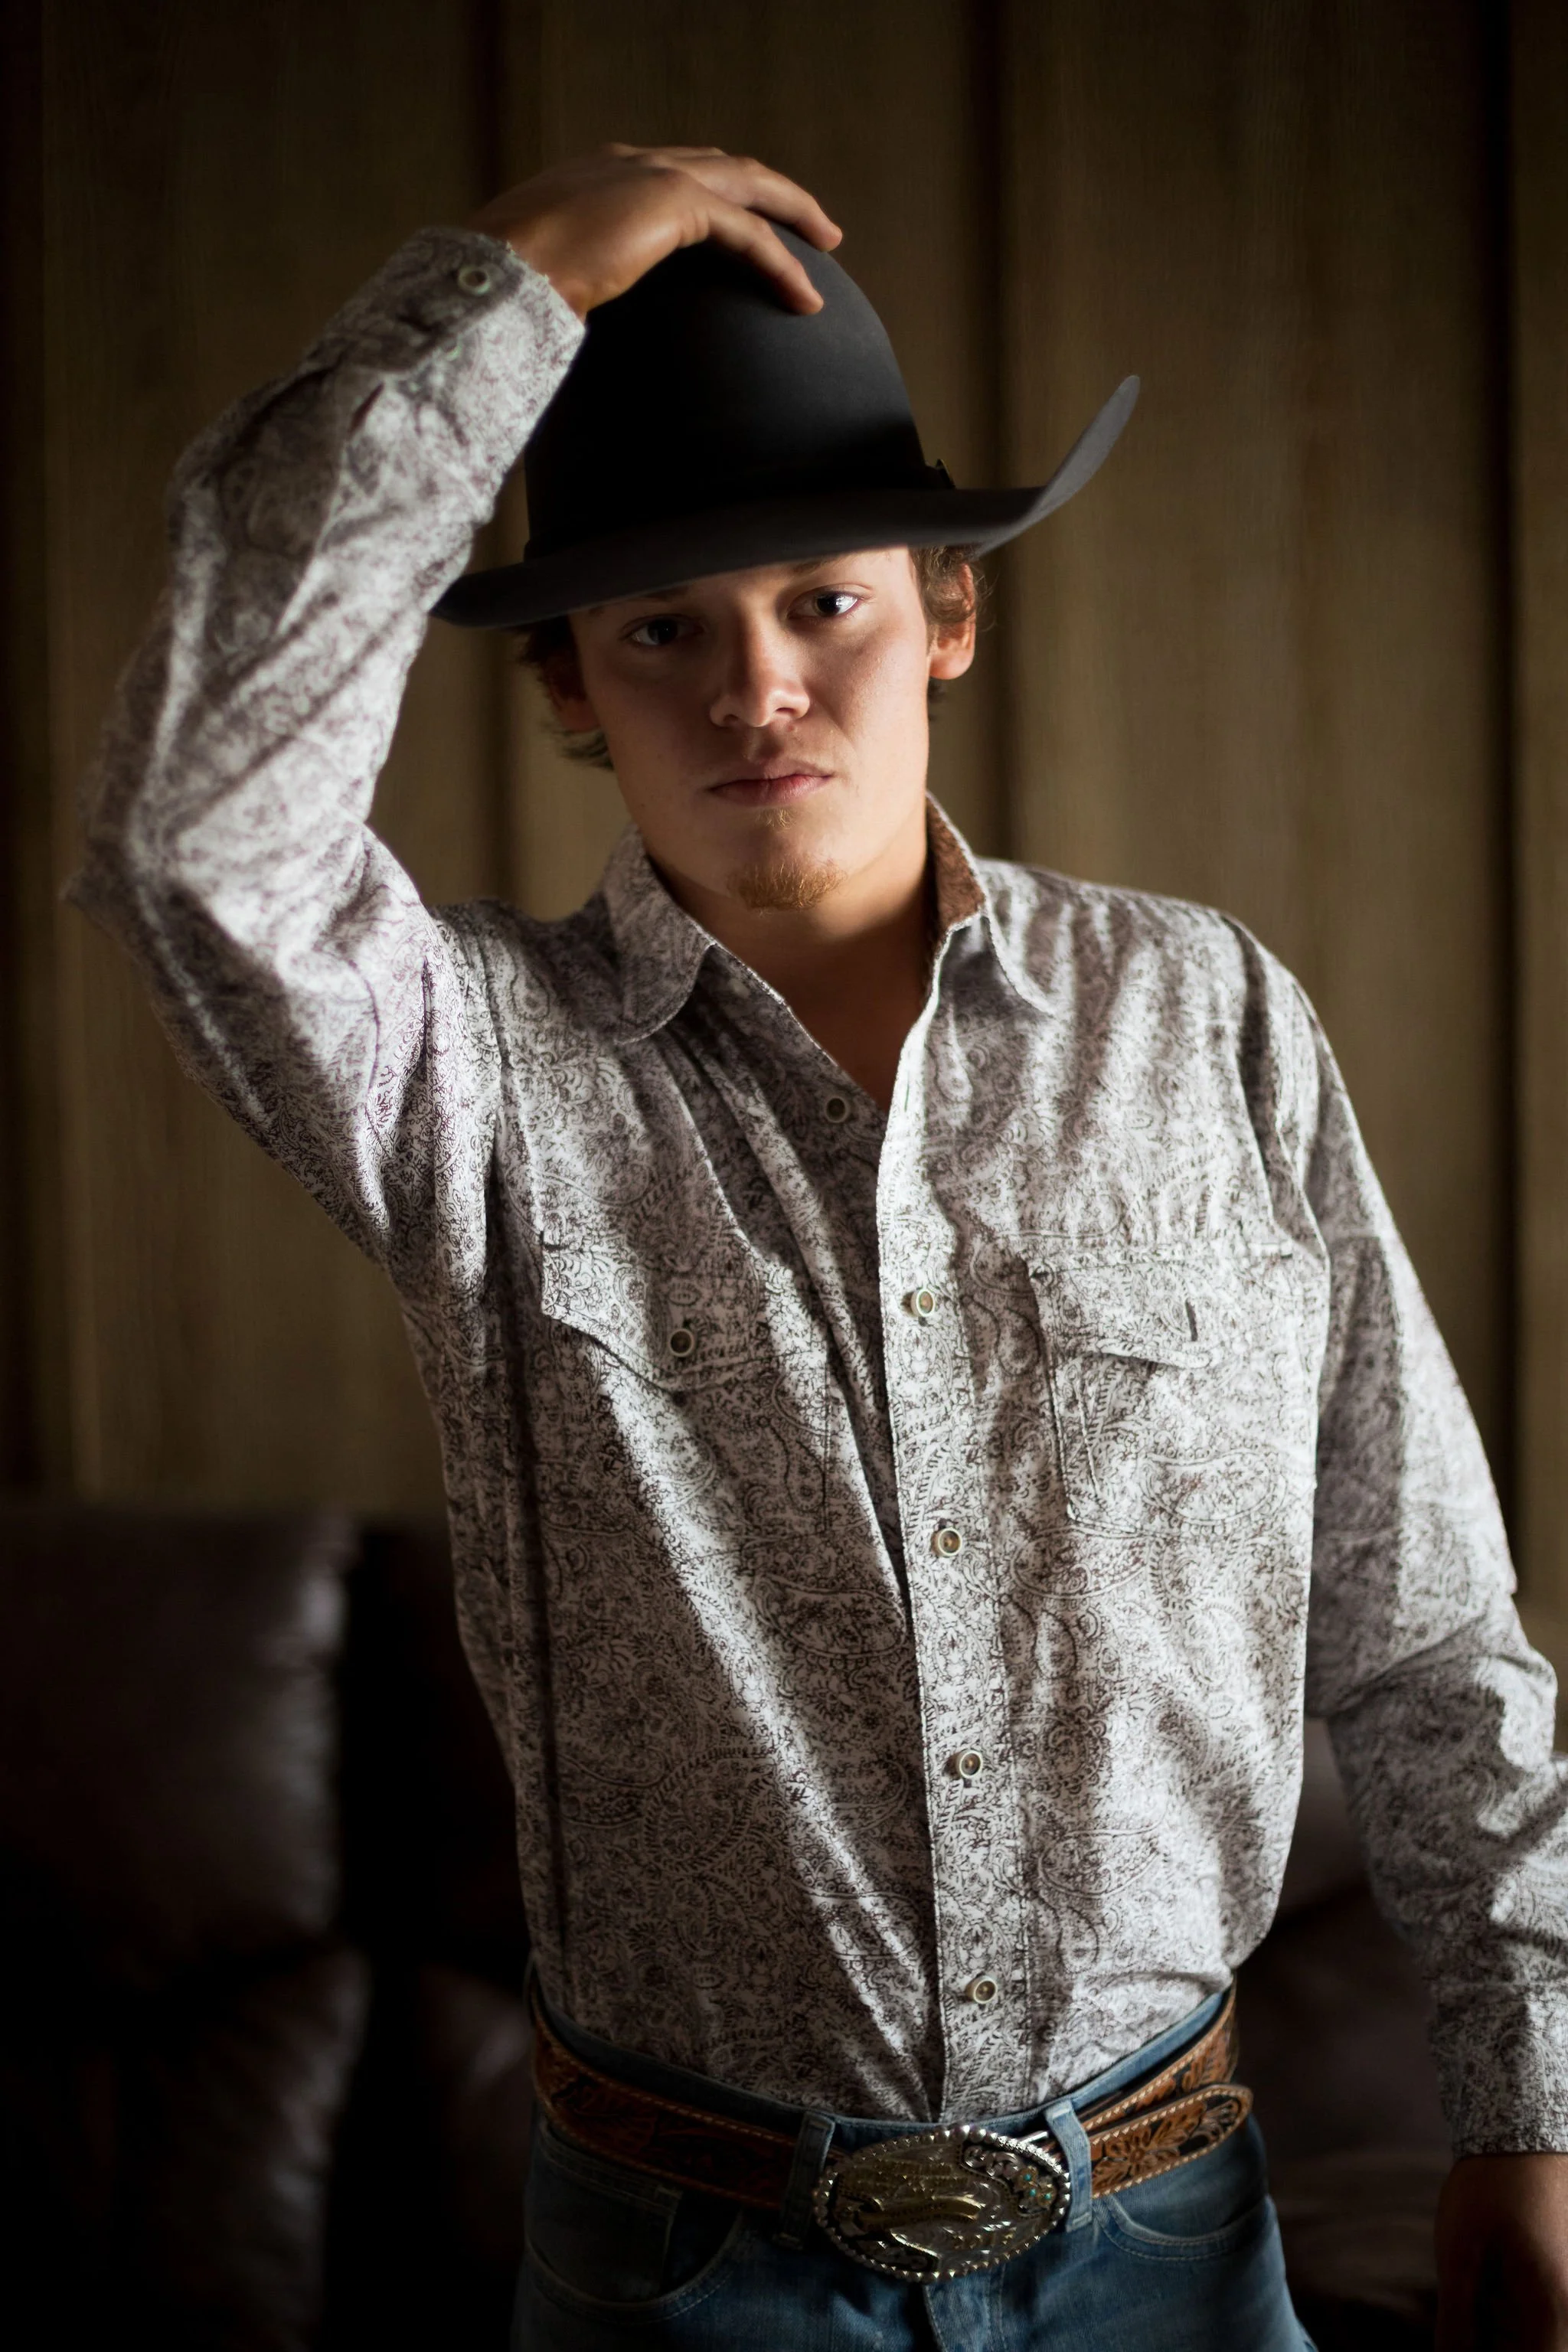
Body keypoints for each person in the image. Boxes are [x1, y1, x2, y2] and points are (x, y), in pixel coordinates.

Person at [74, 144, 1568, 2350]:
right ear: (573, 684)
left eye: (822, 603)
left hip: (1175, 2246)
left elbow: (1425, 1610)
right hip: (687, 2272)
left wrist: (1530, 2097)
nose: (752, 688)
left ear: (947, 615)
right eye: (662, 627)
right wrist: (512, 292)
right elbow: (198, 830)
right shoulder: (470, 1069)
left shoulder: (1210, 1018)